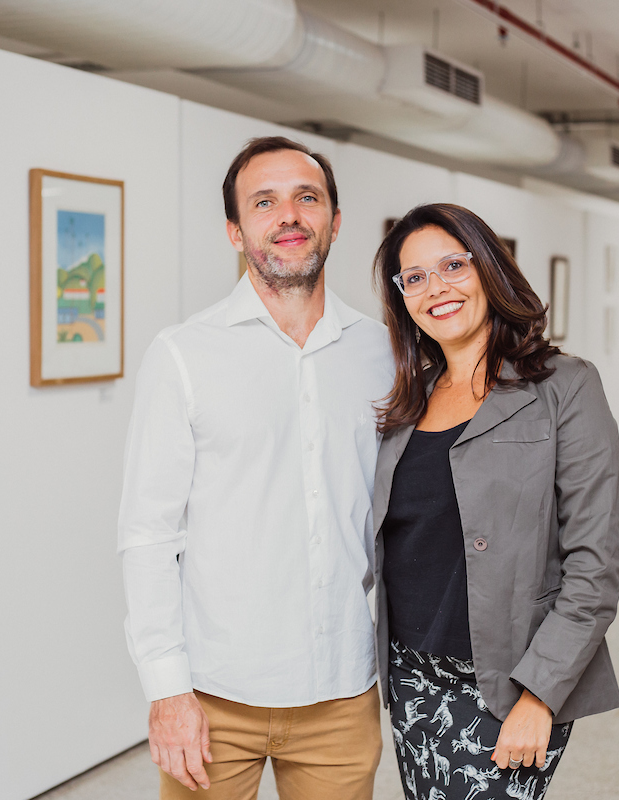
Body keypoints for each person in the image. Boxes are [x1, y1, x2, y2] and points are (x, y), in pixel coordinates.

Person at [117, 136, 393, 799]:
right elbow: (148, 534)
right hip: (213, 698)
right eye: (264, 202)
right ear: (236, 232)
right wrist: (167, 691)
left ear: (334, 219)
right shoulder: (183, 354)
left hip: (341, 695)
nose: (289, 216)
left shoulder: (382, 353)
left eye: (308, 197)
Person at [370, 203, 619, 800]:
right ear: (402, 296)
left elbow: (595, 567)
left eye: (453, 265)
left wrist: (540, 697)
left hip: (510, 683)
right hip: (413, 678)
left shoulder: (564, 387)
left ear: (488, 269)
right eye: (415, 277)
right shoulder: (408, 401)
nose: (437, 288)